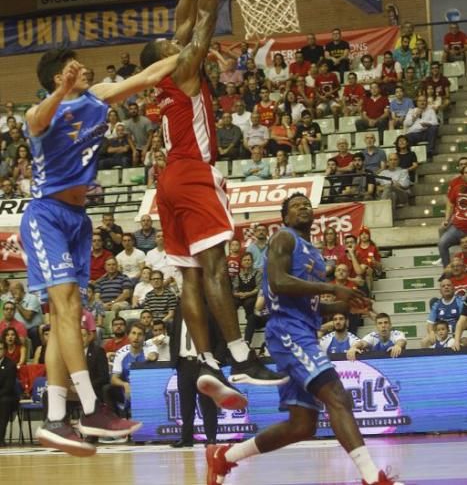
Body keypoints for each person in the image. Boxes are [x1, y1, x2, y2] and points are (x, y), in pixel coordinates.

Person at [140, 0, 286, 410]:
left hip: (167, 184)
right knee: (217, 268)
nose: (176, 42)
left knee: (189, 277)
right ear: (165, 58)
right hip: (194, 171)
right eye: (169, 46)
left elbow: (182, 14)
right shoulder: (182, 70)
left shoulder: (162, 77)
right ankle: (242, 356)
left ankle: (205, 359)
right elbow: (203, 16)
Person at [18, 46, 178, 455]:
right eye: (73, 69)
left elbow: (146, 77)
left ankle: (56, 419)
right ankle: (90, 407)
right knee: (69, 310)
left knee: (63, 316)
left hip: (78, 219)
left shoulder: (98, 96)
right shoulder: (44, 113)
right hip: (46, 215)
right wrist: (62, 91)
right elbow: (35, 120)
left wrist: (194, 50)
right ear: (58, 78)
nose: (83, 70)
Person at [206, 193, 402, 485]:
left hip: (302, 329)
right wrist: (333, 288)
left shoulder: (313, 251)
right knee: (337, 396)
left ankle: (225, 457)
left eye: (306, 204)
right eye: (295, 205)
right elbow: (278, 282)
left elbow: (310, 304)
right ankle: (373, 478)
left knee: (302, 425)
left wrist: (342, 306)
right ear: (285, 217)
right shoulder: (284, 239)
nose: (303, 207)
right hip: (286, 330)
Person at [170, 305, 219, 447]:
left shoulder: (208, 311)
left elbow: (219, 337)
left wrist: (218, 359)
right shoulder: (179, 310)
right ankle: (186, 438)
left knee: (208, 403)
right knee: (186, 405)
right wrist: (174, 359)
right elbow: (174, 335)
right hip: (183, 363)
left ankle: (211, 438)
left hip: (203, 363)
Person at [420, 279, 463, 348]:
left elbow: (463, 320)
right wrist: (431, 332)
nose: (446, 287)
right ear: (440, 291)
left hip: (457, 333)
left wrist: (457, 336)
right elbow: (430, 323)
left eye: (448, 285)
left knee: (465, 341)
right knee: (424, 342)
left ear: (453, 288)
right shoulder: (436, 305)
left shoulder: (460, 302)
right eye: (443, 286)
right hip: (441, 333)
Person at [403, 93, 439, 160]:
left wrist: (428, 124)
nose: (422, 102)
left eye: (424, 101)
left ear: (426, 102)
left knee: (434, 128)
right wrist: (415, 117)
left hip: (426, 132)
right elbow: (406, 123)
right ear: (417, 102)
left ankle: (430, 151)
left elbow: (435, 122)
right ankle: (411, 157)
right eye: (420, 101)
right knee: (407, 137)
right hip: (414, 134)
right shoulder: (412, 111)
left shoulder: (430, 111)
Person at [0, 337, 17, 447]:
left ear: (4, 350)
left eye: (0, 349)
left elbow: (9, 386)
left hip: (6, 396)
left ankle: (0, 438)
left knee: (4, 402)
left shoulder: (10, 364)